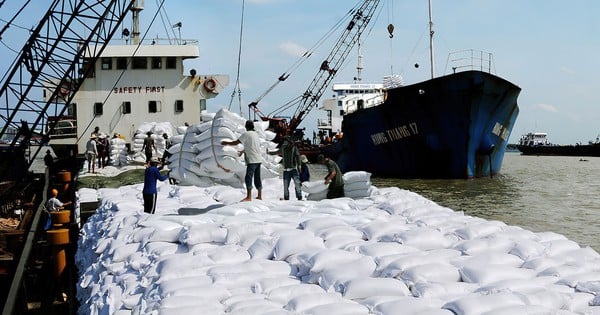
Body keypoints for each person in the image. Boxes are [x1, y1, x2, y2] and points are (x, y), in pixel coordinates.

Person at [221, 120, 262, 201]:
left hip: (252, 160)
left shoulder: (246, 134)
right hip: (258, 159)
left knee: (248, 178)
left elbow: (236, 142)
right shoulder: (256, 134)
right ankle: (259, 195)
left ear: (246, 127)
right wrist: (243, 151)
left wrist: (226, 143)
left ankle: (249, 197)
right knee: (257, 178)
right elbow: (251, 146)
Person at [270, 135, 302, 200]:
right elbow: (277, 152)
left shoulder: (294, 148)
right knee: (285, 186)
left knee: (297, 184)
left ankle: (299, 197)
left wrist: (299, 166)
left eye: (286, 141)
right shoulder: (283, 148)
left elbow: (298, 157)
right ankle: (286, 198)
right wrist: (269, 153)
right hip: (286, 170)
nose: (285, 143)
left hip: (293, 169)